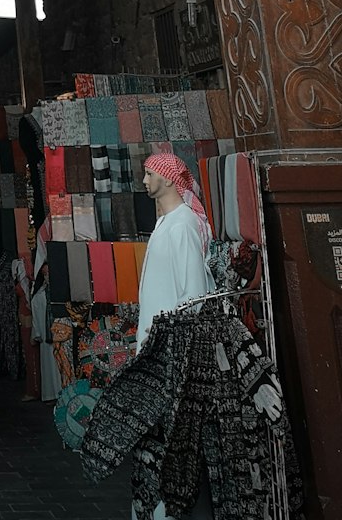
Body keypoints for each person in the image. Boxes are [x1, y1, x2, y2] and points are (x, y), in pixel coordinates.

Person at [136, 153, 215, 520]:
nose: (145, 180)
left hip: (171, 353)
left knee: (168, 443)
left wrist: (180, 352)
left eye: (150, 174)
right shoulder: (168, 222)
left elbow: (194, 296)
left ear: (168, 179)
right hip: (157, 349)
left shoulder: (182, 225)